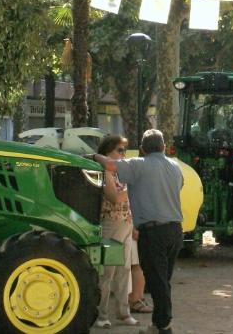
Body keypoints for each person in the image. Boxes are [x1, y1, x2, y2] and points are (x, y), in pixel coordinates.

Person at [93, 129, 183, 334]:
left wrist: (92, 156)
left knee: (157, 282)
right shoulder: (176, 167)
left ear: (142, 149)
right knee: (163, 281)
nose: (124, 153)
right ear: (163, 146)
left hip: (153, 233)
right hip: (175, 231)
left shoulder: (138, 165)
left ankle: (163, 326)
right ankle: (159, 324)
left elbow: (108, 165)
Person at [94, 136, 139, 328]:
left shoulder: (121, 172)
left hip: (126, 225)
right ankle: (101, 315)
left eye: (124, 150)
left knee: (124, 271)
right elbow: (113, 197)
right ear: (108, 152)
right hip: (111, 225)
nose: (123, 154)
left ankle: (123, 312)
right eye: (119, 150)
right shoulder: (106, 172)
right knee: (107, 273)